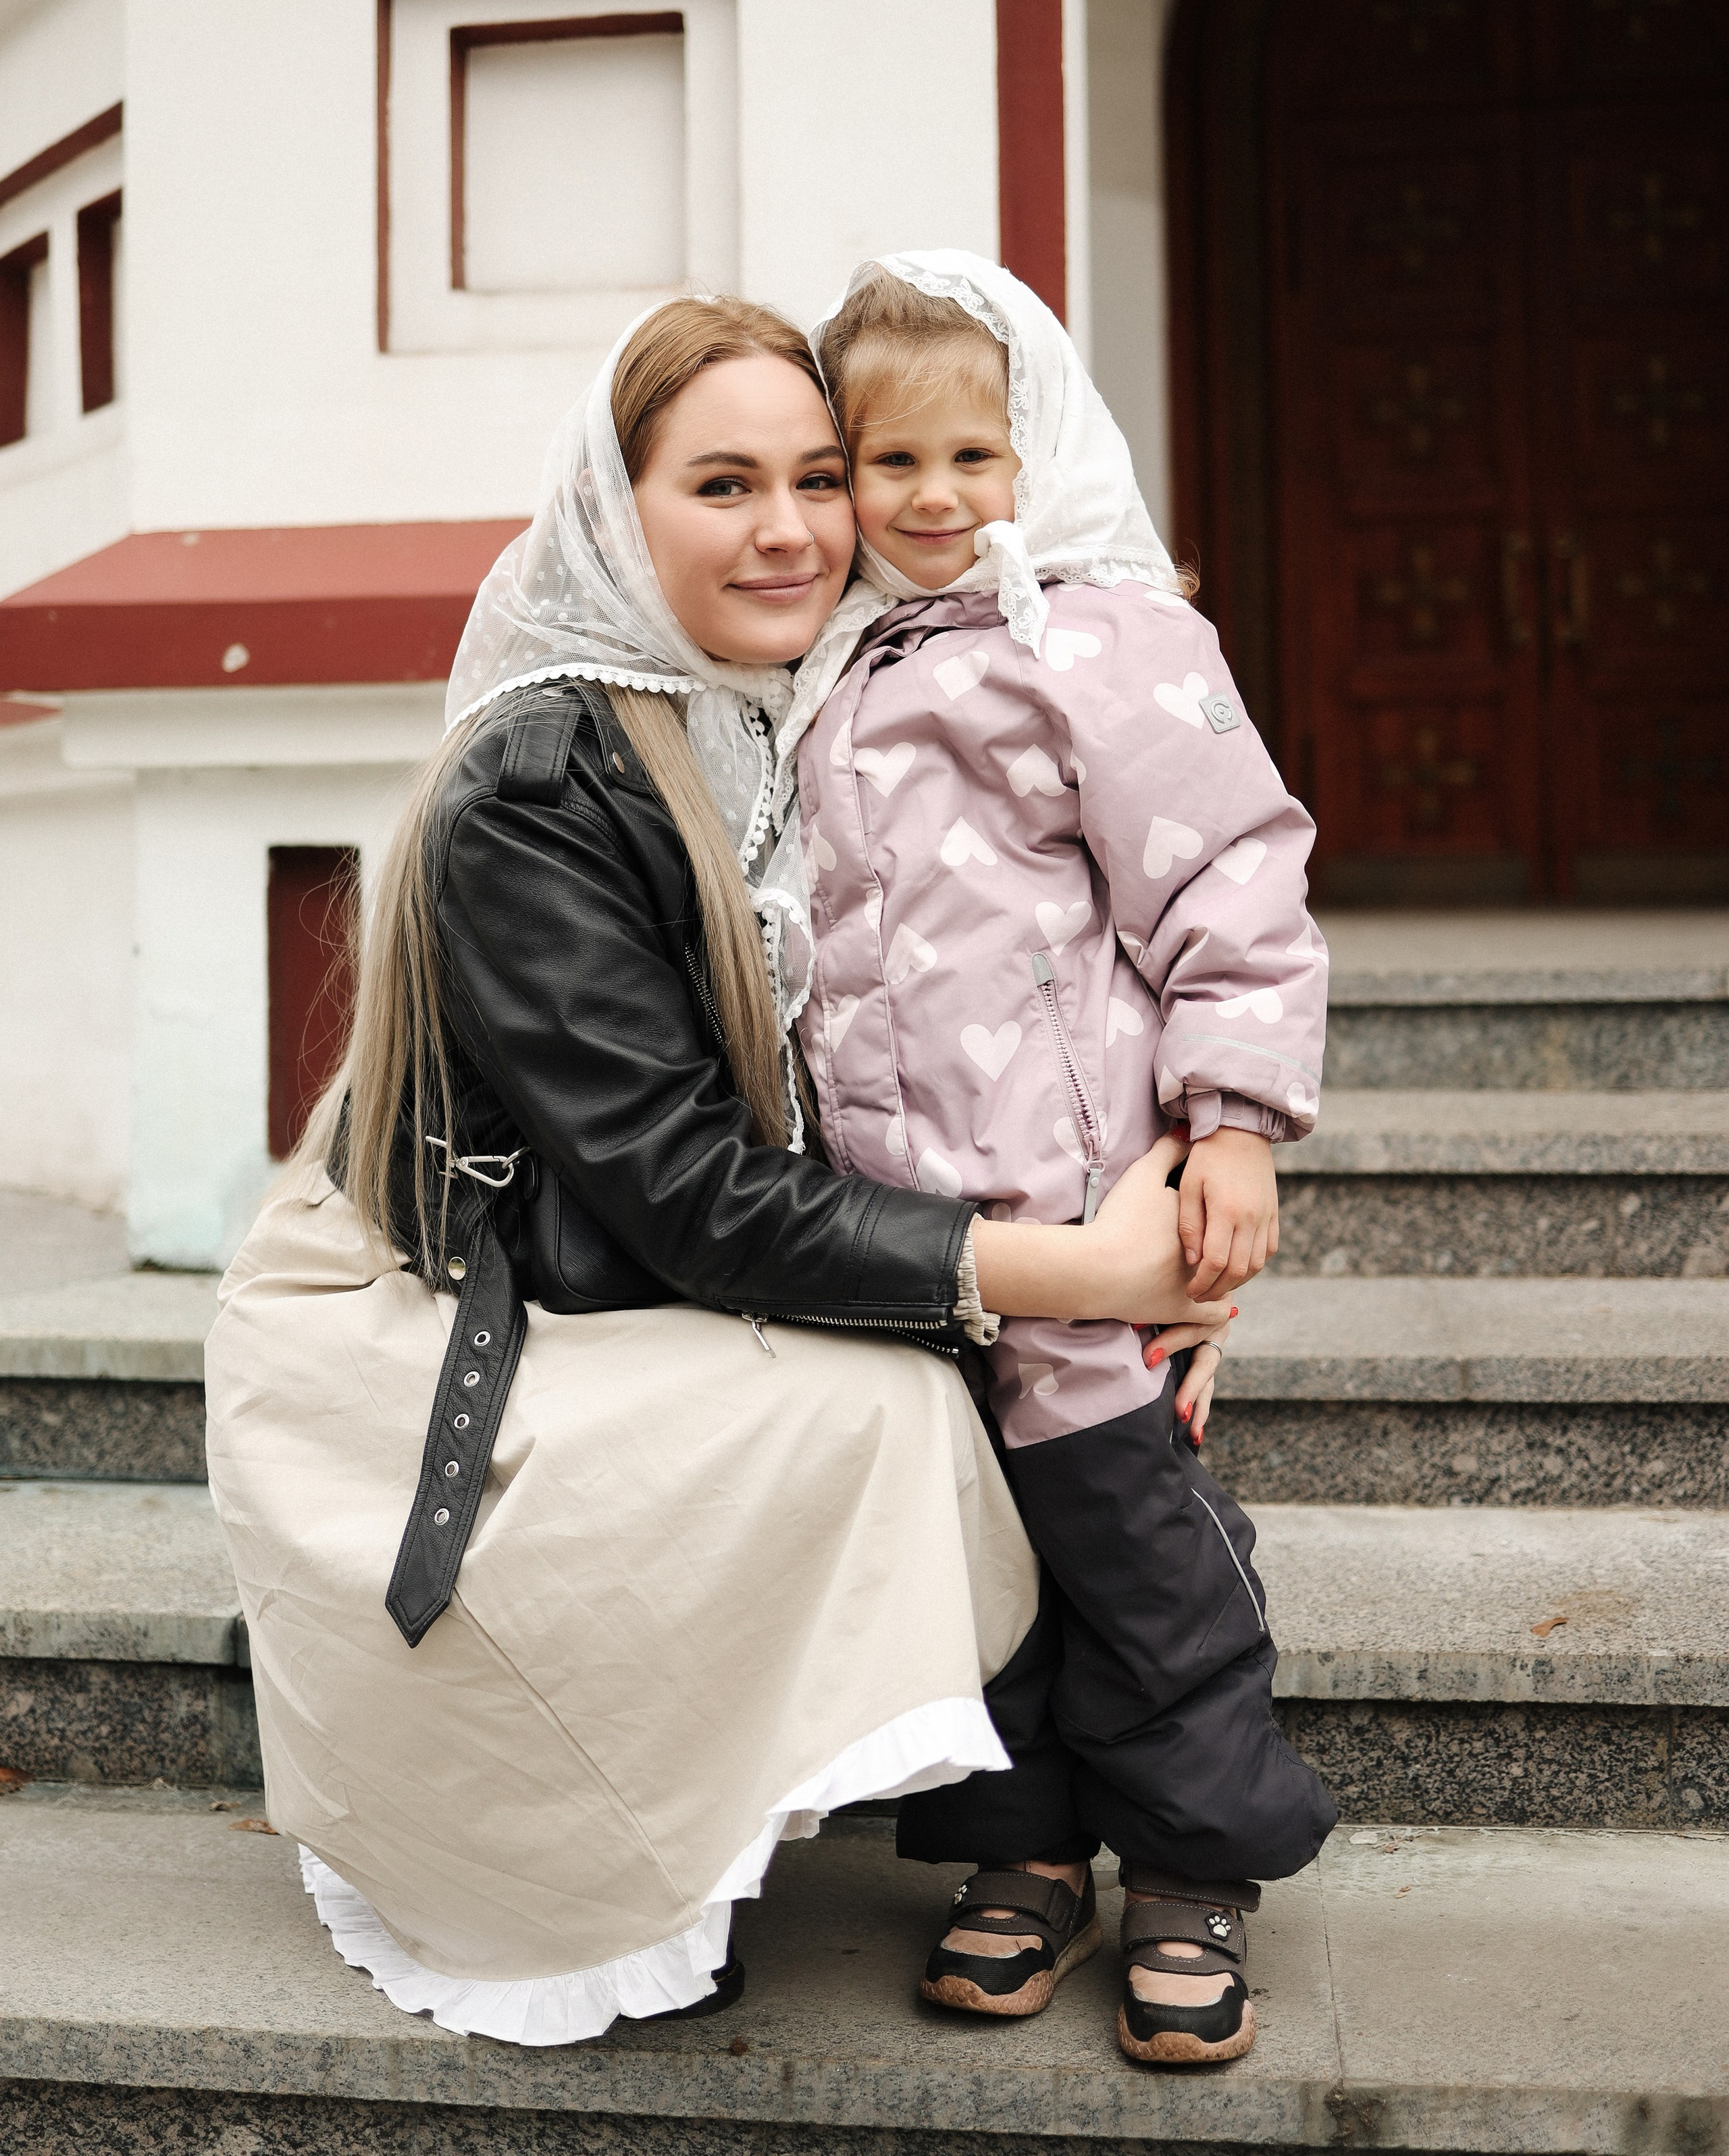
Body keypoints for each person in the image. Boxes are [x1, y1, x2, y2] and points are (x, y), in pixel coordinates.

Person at [205, 292, 1204, 2046]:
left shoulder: (831, 713)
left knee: (1056, 1381)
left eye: (819, 476)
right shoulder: (540, 783)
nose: (792, 528)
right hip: (485, 1303)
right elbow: (679, 1193)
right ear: (618, 509)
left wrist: (1188, 1215)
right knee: (897, 1405)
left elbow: (1025, 1003)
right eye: (724, 484)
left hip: (660, 1266)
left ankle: (1159, 1845)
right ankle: (635, 1822)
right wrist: (1090, 1271)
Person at [796, 252, 1338, 2068]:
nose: (933, 497)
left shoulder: (1106, 640)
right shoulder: (827, 670)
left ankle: (1190, 1865)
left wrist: (1233, 1128)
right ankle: (1021, 1849)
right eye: (890, 462)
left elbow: (1231, 882)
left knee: (1137, 1557)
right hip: (904, 1237)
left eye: (975, 455)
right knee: (968, 1566)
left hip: (1087, 1213)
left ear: (1041, 450)